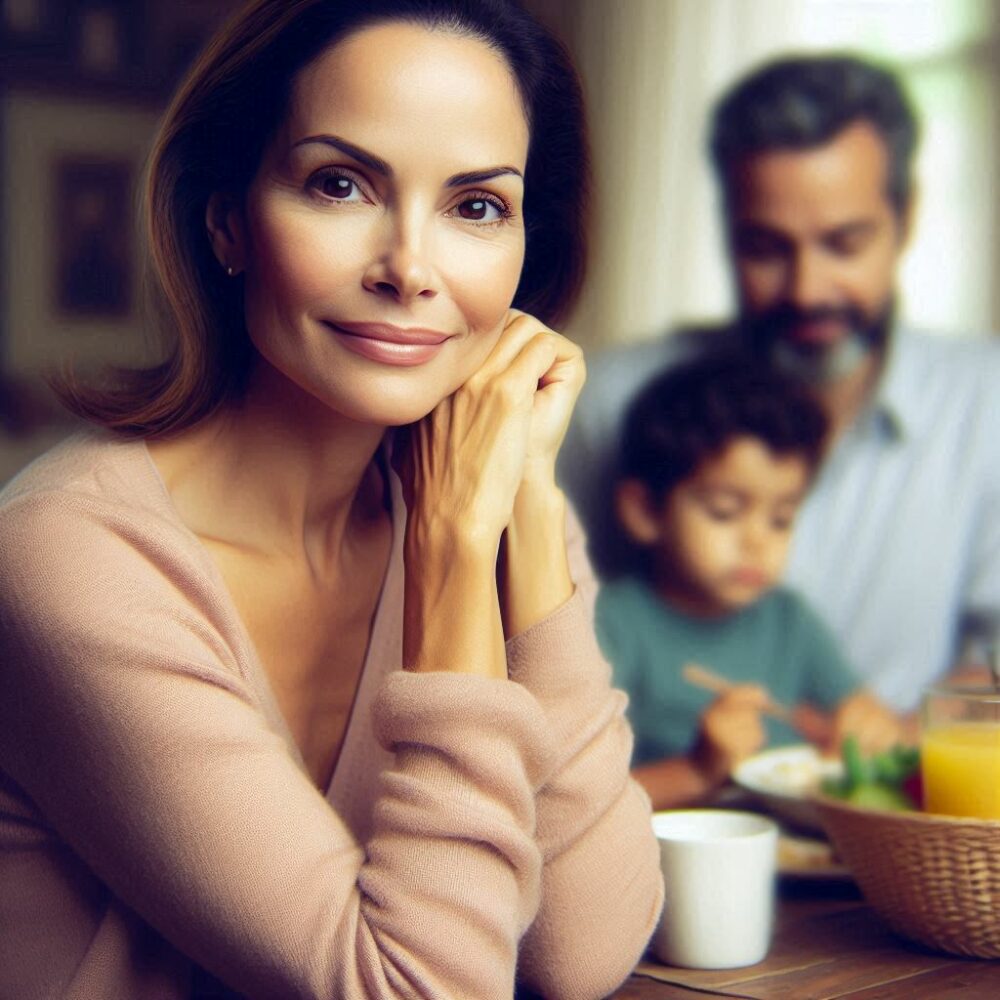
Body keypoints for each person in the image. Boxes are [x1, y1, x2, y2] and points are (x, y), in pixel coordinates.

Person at [0, 3, 663, 998]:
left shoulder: (486, 508)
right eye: (340, 184)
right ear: (226, 218)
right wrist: (448, 562)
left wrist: (518, 506)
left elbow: (580, 952)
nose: (409, 268)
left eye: (475, 206)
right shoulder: (68, 559)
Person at [560, 53, 1000, 713]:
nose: (807, 290)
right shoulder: (605, 402)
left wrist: (890, 747)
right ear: (727, 235)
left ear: (905, 222)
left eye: (844, 243)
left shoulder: (987, 401)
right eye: (766, 249)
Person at [595, 356, 901, 810]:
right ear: (645, 511)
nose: (758, 541)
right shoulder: (613, 624)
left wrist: (872, 733)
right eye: (724, 511)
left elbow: (871, 725)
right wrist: (697, 770)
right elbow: (576, 805)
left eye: (781, 519)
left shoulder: (789, 620)